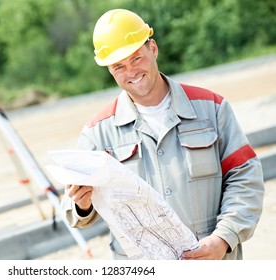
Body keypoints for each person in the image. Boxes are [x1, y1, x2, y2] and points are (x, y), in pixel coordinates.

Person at [61, 8, 264, 260]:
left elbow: (245, 178)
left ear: (153, 49)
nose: (131, 72)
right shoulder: (98, 132)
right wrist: (81, 204)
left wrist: (223, 237)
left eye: (136, 58)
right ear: (110, 70)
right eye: (119, 66)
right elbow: (74, 211)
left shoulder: (211, 108)